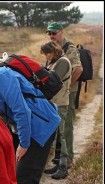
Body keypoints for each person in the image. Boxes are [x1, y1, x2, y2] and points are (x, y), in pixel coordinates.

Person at [46, 22, 83, 168]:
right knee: (58, 126)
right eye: (49, 33)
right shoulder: (54, 49)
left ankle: (67, 160)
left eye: (54, 33)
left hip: (68, 94)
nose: (51, 36)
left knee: (66, 126)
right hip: (58, 95)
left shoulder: (70, 49)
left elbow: (78, 70)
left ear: (61, 32)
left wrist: (66, 87)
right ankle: (59, 158)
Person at [40, 41, 72, 179]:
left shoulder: (63, 62)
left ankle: (63, 167)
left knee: (61, 134)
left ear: (53, 51)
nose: (46, 56)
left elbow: (51, 80)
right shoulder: (55, 61)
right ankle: (58, 163)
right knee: (56, 135)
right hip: (55, 102)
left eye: (47, 53)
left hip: (60, 102)